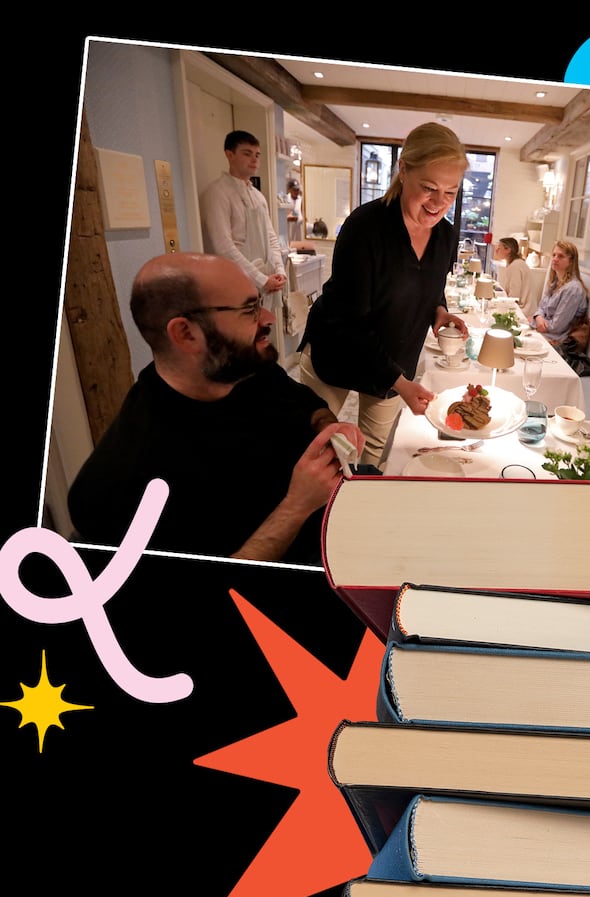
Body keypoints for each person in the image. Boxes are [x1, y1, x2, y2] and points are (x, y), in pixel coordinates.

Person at [67, 254, 363, 565]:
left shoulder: (243, 369)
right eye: (249, 310)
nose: (267, 318)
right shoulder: (124, 479)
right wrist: (296, 506)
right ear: (185, 333)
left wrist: (328, 427)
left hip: (335, 533)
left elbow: (306, 405)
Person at [297, 122, 470, 466]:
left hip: (394, 357)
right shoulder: (365, 228)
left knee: (371, 453)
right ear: (403, 169)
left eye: (451, 192)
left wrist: (439, 311)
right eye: (429, 188)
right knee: (312, 447)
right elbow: (349, 321)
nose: (439, 203)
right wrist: (402, 383)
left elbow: (432, 288)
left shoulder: (446, 237)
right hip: (338, 349)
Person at [199, 131, 288, 317]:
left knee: (262, 334)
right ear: (229, 154)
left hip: (265, 284)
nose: (254, 160)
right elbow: (223, 246)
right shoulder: (218, 193)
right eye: (247, 153)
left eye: (257, 155)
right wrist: (261, 279)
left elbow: (271, 237)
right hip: (236, 282)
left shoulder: (258, 196)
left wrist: (279, 271)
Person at [531, 240, 588, 347]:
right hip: (544, 333)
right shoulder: (555, 282)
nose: (555, 259)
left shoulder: (573, 289)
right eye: (554, 255)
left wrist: (536, 322)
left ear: (571, 262)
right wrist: (538, 318)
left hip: (556, 340)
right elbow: (541, 307)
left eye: (561, 256)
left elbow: (557, 327)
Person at [493, 236, 538, 318]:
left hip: (524, 311)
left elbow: (514, 296)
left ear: (508, 250)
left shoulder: (515, 266)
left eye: (499, 248)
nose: (496, 250)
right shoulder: (515, 263)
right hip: (525, 307)